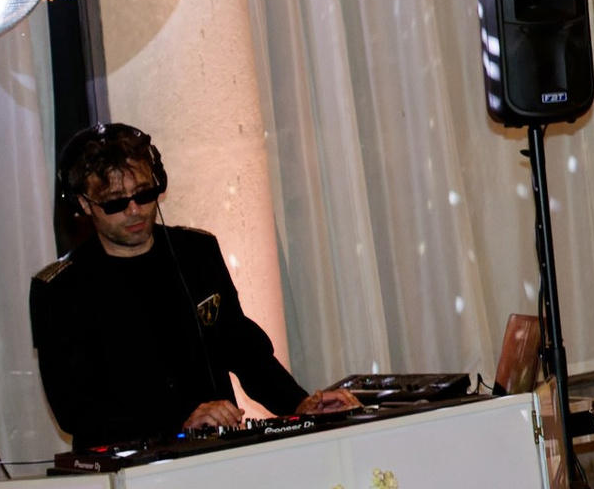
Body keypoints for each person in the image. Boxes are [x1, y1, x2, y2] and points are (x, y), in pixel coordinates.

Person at [31, 123, 354, 455]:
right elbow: (76, 411)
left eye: (144, 193)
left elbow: (244, 350)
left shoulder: (197, 252)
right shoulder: (59, 288)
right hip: (130, 466)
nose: (134, 209)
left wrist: (299, 403)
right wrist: (178, 422)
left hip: (217, 456)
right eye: (115, 203)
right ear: (84, 204)